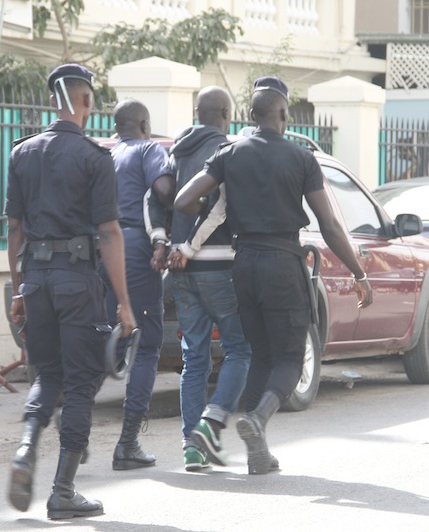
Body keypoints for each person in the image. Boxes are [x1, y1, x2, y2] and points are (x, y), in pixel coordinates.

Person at [174, 76, 374, 475]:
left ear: (251, 115)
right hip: (283, 263)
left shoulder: (229, 153)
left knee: (260, 356)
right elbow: (331, 225)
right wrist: (359, 274)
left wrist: (216, 217)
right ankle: (258, 419)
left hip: (243, 264)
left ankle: (247, 447)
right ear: (283, 114)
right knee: (289, 358)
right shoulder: (301, 159)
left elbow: (183, 200)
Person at [4, 64, 136, 519]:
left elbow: (15, 231)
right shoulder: (94, 158)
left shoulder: (22, 154)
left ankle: (25, 448)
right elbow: (110, 234)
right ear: (85, 102)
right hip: (77, 281)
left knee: (48, 375)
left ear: (52, 102)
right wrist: (123, 302)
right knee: (81, 382)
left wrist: (19, 291)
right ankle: (62, 491)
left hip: (36, 281)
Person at [162, 86, 253, 471]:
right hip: (216, 265)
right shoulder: (227, 151)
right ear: (226, 114)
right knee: (238, 350)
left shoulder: (176, 149)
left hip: (180, 270)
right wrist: (190, 246)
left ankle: (191, 447)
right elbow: (219, 208)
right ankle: (208, 427)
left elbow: (161, 197)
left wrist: (166, 244)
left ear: (197, 113)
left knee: (193, 358)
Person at [103, 98, 175, 470]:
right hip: (133, 248)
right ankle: (128, 442)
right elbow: (164, 190)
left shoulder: (105, 156)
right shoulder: (149, 150)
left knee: (103, 339)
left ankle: (75, 435)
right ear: (145, 125)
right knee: (146, 344)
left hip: (99, 250)